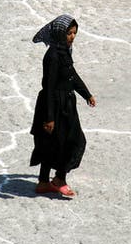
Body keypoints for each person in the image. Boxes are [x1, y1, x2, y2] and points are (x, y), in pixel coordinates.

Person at [29, 14, 97, 198]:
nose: (72, 37)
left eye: (74, 33)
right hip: (54, 106)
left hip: (66, 103)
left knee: (56, 143)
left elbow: (72, 76)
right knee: (67, 142)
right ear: (60, 33)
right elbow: (49, 87)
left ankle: (45, 182)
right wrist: (50, 117)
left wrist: (87, 94)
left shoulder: (64, 52)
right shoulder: (53, 56)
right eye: (69, 33)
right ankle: (58, 179)